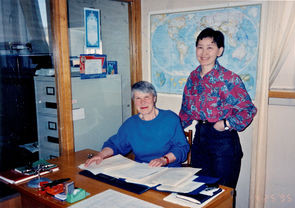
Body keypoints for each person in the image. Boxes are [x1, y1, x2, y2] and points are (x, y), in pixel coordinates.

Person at [179, 27, 257, 189]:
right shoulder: (193, 78)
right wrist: (169, 129)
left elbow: (248, 110)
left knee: (222, 194)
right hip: (200, 138)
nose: (204, 53)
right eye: (200, 47)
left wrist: (226, 123)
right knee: (198, 190)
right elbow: (186, 111)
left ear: (219, 51)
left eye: (210, 47)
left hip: (223, 141)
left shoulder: (229, 78)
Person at [85, 81, 190, 168]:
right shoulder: (130, 124)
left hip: (168, 170)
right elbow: (115, 144)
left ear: (154, 98)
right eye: (138, 98)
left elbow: (182, 148)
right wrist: (100, 155)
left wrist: (164, 160)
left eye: (146, 97)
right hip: (142, 171)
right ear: (133, 101)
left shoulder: (170, 119)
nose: (142, 102)